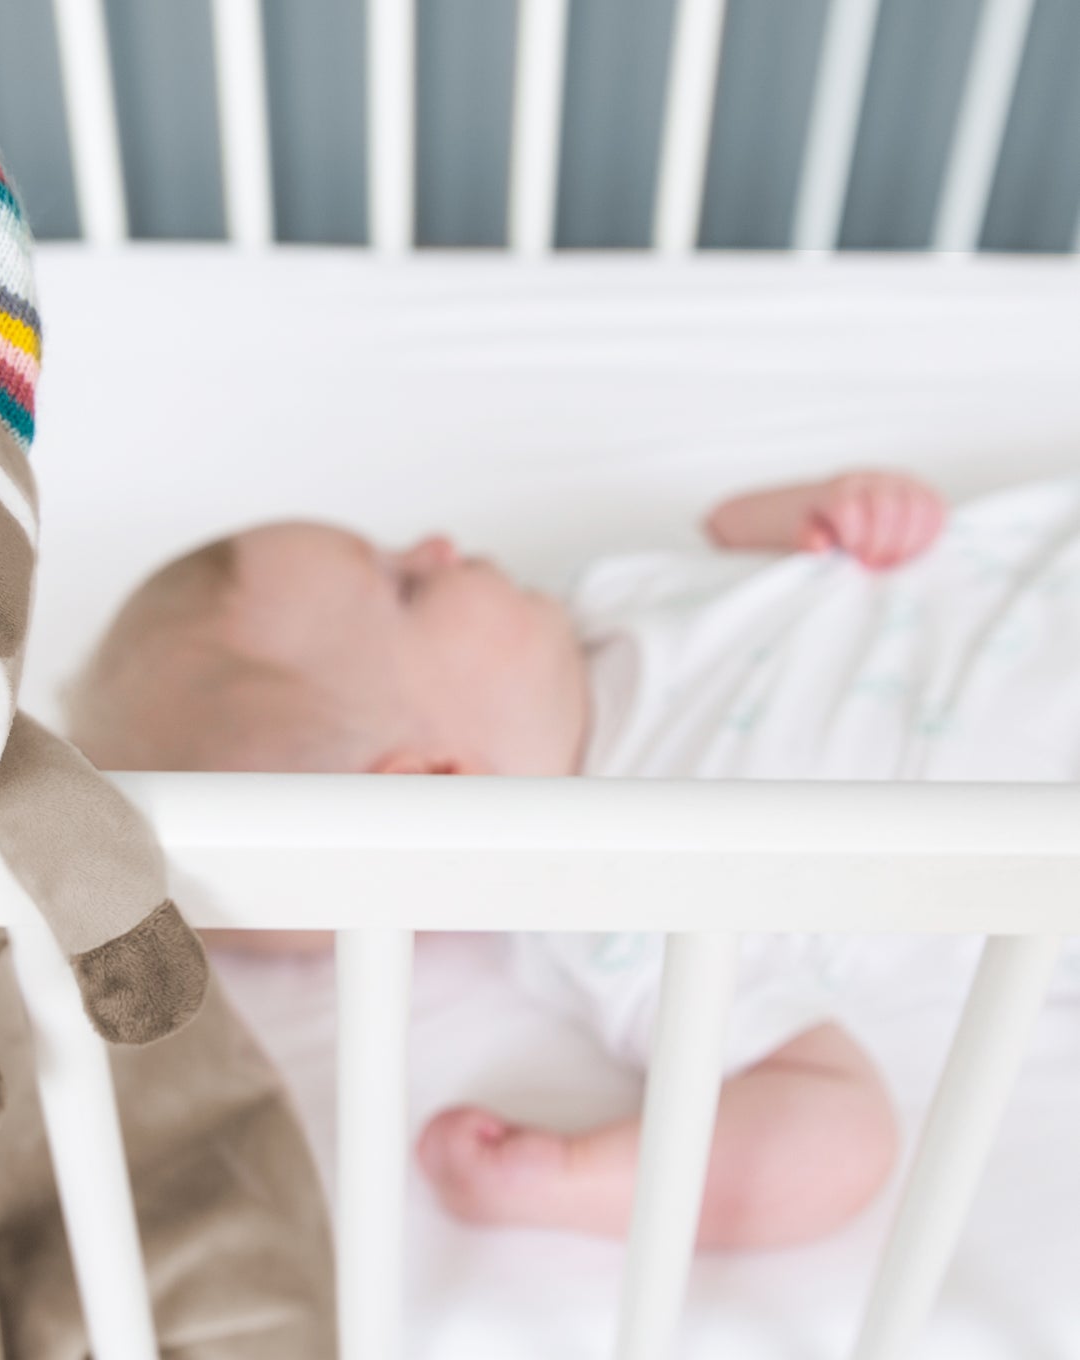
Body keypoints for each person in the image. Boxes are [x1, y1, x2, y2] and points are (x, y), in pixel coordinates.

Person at [66, 468, 1080, 1250]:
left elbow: (737, 530)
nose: (436, 542)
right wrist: (581, 1178)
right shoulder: (623, 909)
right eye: (409, 585)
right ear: (430, 778)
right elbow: (829, 1133)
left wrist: (832, 509)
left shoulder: (597, 605)